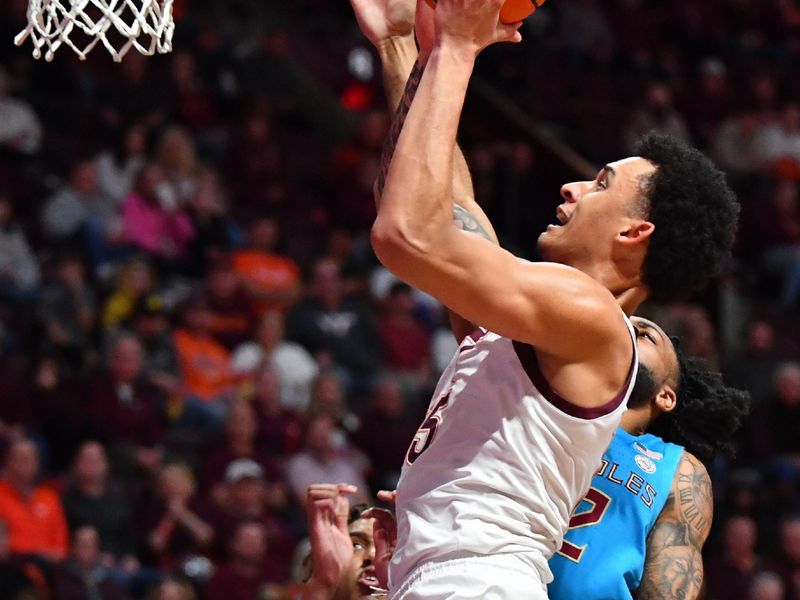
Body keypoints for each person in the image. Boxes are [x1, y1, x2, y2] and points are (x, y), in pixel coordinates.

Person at [350, 0, 739, 597]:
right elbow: (441, 205)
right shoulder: (537, 320)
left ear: (635, 232)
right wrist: (405, 47)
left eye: (602, 181)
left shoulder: (591, 320)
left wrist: (457, 50)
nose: (573, 185)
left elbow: (406, 234)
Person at [547, 317, 751, 599]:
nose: (628, 331)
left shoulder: (677, 467)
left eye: (645, 336)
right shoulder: (543, 407)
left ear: (665, 396)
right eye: (624, 326)